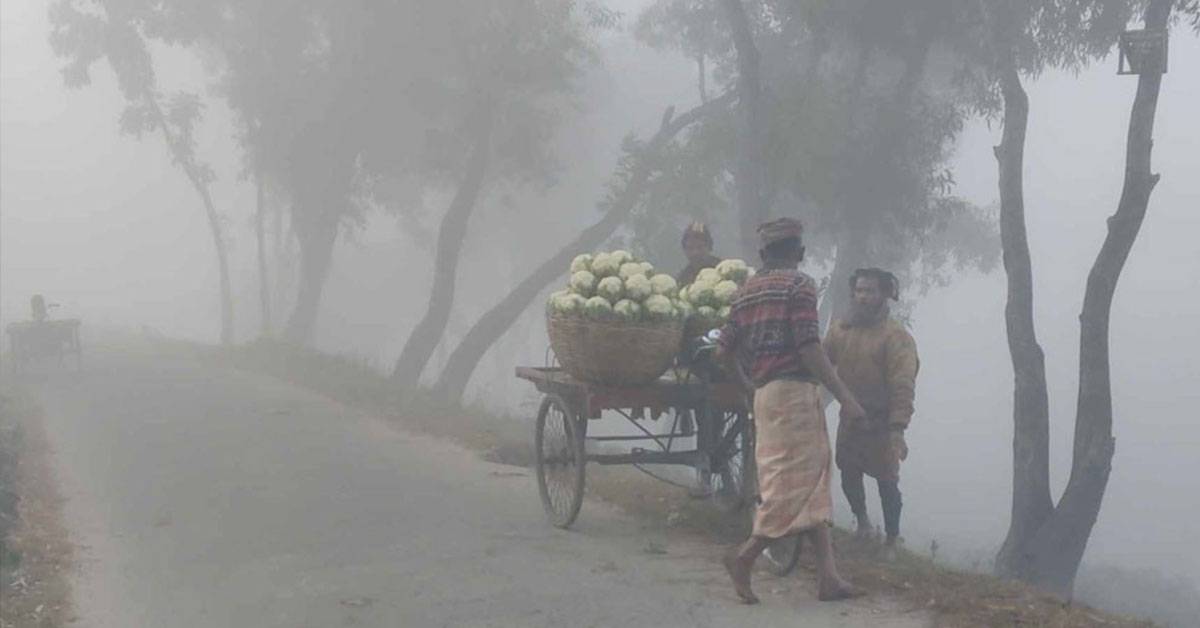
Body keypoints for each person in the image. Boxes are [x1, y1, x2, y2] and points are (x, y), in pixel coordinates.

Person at [715, 217, 866, 604]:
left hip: (765, 394)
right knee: (790, 486)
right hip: (795, 395)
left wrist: (746, 386)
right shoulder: (800, 286)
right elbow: (809, 347)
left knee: (813, 481)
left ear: (764, 254)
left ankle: (828, 577)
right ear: (799, 253)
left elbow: (724, 351)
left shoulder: (746, 291)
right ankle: (745, 555)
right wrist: (844, 394)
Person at [824, 268, 919, 550]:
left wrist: (897, 429)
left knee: (886, 480)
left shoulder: (895, 337)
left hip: (883, 419)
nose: (864, 297)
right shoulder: (841, 329)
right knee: (849, 472)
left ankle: (892, 538)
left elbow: (903, 385)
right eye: (860, 290)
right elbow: (822, 360)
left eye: (871, 291)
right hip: (851, 417)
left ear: (884, 294)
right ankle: (863, 523)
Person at [676, 221, 722, 286]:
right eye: (690, 248)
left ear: (709, 247)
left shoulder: (723, 271)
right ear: (684, 250)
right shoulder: (683, 278)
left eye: (700, 247)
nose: (695, 252)